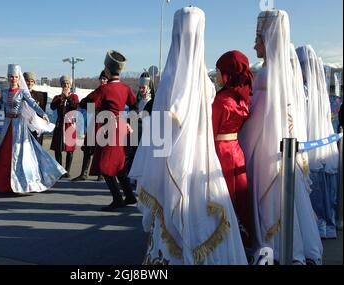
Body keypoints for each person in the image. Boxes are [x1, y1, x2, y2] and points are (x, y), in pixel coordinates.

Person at [128, 7, 247, 265]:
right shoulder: (205, 82)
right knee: (204, 219)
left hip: (176, 163)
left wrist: (155, 171)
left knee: (172, 225)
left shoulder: (170, 79)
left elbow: (159, 135)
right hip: (202, 163)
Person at [239, 10, 322, 264]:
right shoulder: (279, 69)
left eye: (258, 40)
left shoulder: (268, 74)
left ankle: (276, 247)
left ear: (269, 39)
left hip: (265, 148)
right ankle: (293, 248)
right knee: (290, 203)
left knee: (271, 203)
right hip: (277, 146)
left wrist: (239, 140)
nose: (254, 45)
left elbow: (258, 118)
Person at [0, 64, 65, 194]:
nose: (13, 79)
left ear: (18, 78)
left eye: (16, 77)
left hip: (19, 125)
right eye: (11, 77)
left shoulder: (22, 92)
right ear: (8, 77)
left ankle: (22, 181)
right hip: (7, 125)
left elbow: (32, 103)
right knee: (4, 153)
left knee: (19, 153)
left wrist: (43, 113)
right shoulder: (4, 92)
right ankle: (4, 183)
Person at [79, 50, 138, 212]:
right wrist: (129, 122)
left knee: (105, 166)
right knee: (118, 165)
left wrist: (97, 111)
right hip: (121, 128)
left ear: (107, 70)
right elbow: (134, 105)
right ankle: (130, 196)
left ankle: (118, 199)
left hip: (108, 129)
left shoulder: (104, 89)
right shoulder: (125, 88)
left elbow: (85, 102)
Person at [296, 45, 340, 239]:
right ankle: (324, 224)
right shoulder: (320, 90)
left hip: (311, 141)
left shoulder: (307, 90)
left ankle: (318, 225)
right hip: (321, 141)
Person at [212, 50, 253, 250]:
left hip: (220, 151)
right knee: (239, 195)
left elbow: (209, 131)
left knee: (223, 196)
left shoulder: (221, 101)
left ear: (227, 73)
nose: (216, 75)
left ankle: (224, 241)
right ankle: (242, 236)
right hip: (236, 150)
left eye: (218, 71)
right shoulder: (242, 98)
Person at [72, 71, 107, 182]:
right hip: (93, 125)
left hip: (104, 125)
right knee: (88, 149)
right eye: (101, 78)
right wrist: (92, 106)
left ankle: (101, 174)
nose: (102, 81)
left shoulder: (110, 93)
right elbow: (82, 102)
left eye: (105, 79)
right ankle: (84, 173)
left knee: (101, 150)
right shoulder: (95, 92)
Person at [50, 76, 79, 178]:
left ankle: (67, 170)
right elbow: (52, 107)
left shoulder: (74, 97)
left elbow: (75, 107)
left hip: (69, 125)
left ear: (70, 85)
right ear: (61, 85)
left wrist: (67, 97)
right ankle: (60, 169)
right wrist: (61, 98)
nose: (65, 86)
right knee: (58, 149)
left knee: (69, 149)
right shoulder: (57, 97)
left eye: (67, 84)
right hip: (60, 125)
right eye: (64, 84)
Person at [125, 72, 152, 175]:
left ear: (148, 87)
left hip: (146, 132)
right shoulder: (137, 101)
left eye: (143, 88)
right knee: (132, 154)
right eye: (140, 87)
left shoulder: (152, 101)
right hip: (136, 131)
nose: (141, 90)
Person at [24, 71, 48, 145]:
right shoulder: (19, 94)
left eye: (32, 81)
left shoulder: (40, 96)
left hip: (35, 125)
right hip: (24, 125)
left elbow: (42, 110)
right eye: (27, 81)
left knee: (36, 147)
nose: (30, 83)